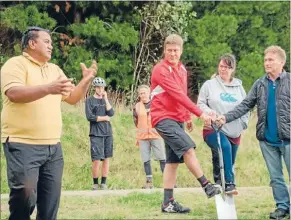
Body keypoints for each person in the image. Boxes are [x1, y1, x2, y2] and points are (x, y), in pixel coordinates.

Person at [1, 26, 97, 220]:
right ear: (32, 43)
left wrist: (85, 81)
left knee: (50, 203)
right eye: (46, 42)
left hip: (53, 147)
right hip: (22, 143)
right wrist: (48, 88)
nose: (51, 46)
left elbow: (72, 98)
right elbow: (14, 93)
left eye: (52, 43)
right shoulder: (15, 64)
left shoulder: (54, 70)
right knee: (25, 195)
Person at [217, 46, 290, 219]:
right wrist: (225, 118)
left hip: (288, 138)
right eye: (265, 60)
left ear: (282, 62)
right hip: (267, 139)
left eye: (271, 60)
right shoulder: (260, 84)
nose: (267, 63)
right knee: (275, 177)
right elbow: (245, 105)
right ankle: (282, 207)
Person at [150, 33, 221, 214]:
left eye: (175, 50)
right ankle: (206, 186)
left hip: (176, 119)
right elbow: (177, 94)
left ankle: (168, 203)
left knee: (172, 162)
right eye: (169, 50)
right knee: (188, 148)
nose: (172, 54)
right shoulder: (160, 70)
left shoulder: (182, 70)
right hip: (163, 118)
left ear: (181, 51)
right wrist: (201, 113)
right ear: (164, 51)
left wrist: (187, 116)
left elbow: (182, 97)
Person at [197, 54, 249, 194]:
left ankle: (219, 182)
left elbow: (246, 107)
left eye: (227, 67)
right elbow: (200, 103)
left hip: (234, 131)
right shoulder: (209, 85)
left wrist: (243, 124)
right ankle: (230, 184)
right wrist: (209, 113)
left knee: (227, 161)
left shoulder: (239, 87)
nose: (223, 69)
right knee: (223, 147)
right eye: (221, 66)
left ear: (232, 69)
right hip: (213, 128)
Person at [133, 84, 166, 189]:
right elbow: (135, 120)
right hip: (143, 137)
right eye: (141, 93)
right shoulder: (137, 106)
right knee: (146, 160)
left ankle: (168, 181)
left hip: (156, 135)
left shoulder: (156, 104)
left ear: (149, 93)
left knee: (162, 158)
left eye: (144, 93)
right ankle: (149, 182)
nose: (143, 95)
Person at [85, 77, 114, 190]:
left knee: (106, 158)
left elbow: (111, 113)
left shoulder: (104, 100)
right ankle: (95, 183)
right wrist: (104, 118)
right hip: (96, 133)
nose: (100, 89)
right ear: (95, 88)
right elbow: (90, 117)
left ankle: (104, 182)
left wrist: (106, 99)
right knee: (96, 159)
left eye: (102, 87)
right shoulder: (90, 100)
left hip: (107, 133)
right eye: (98, 87)